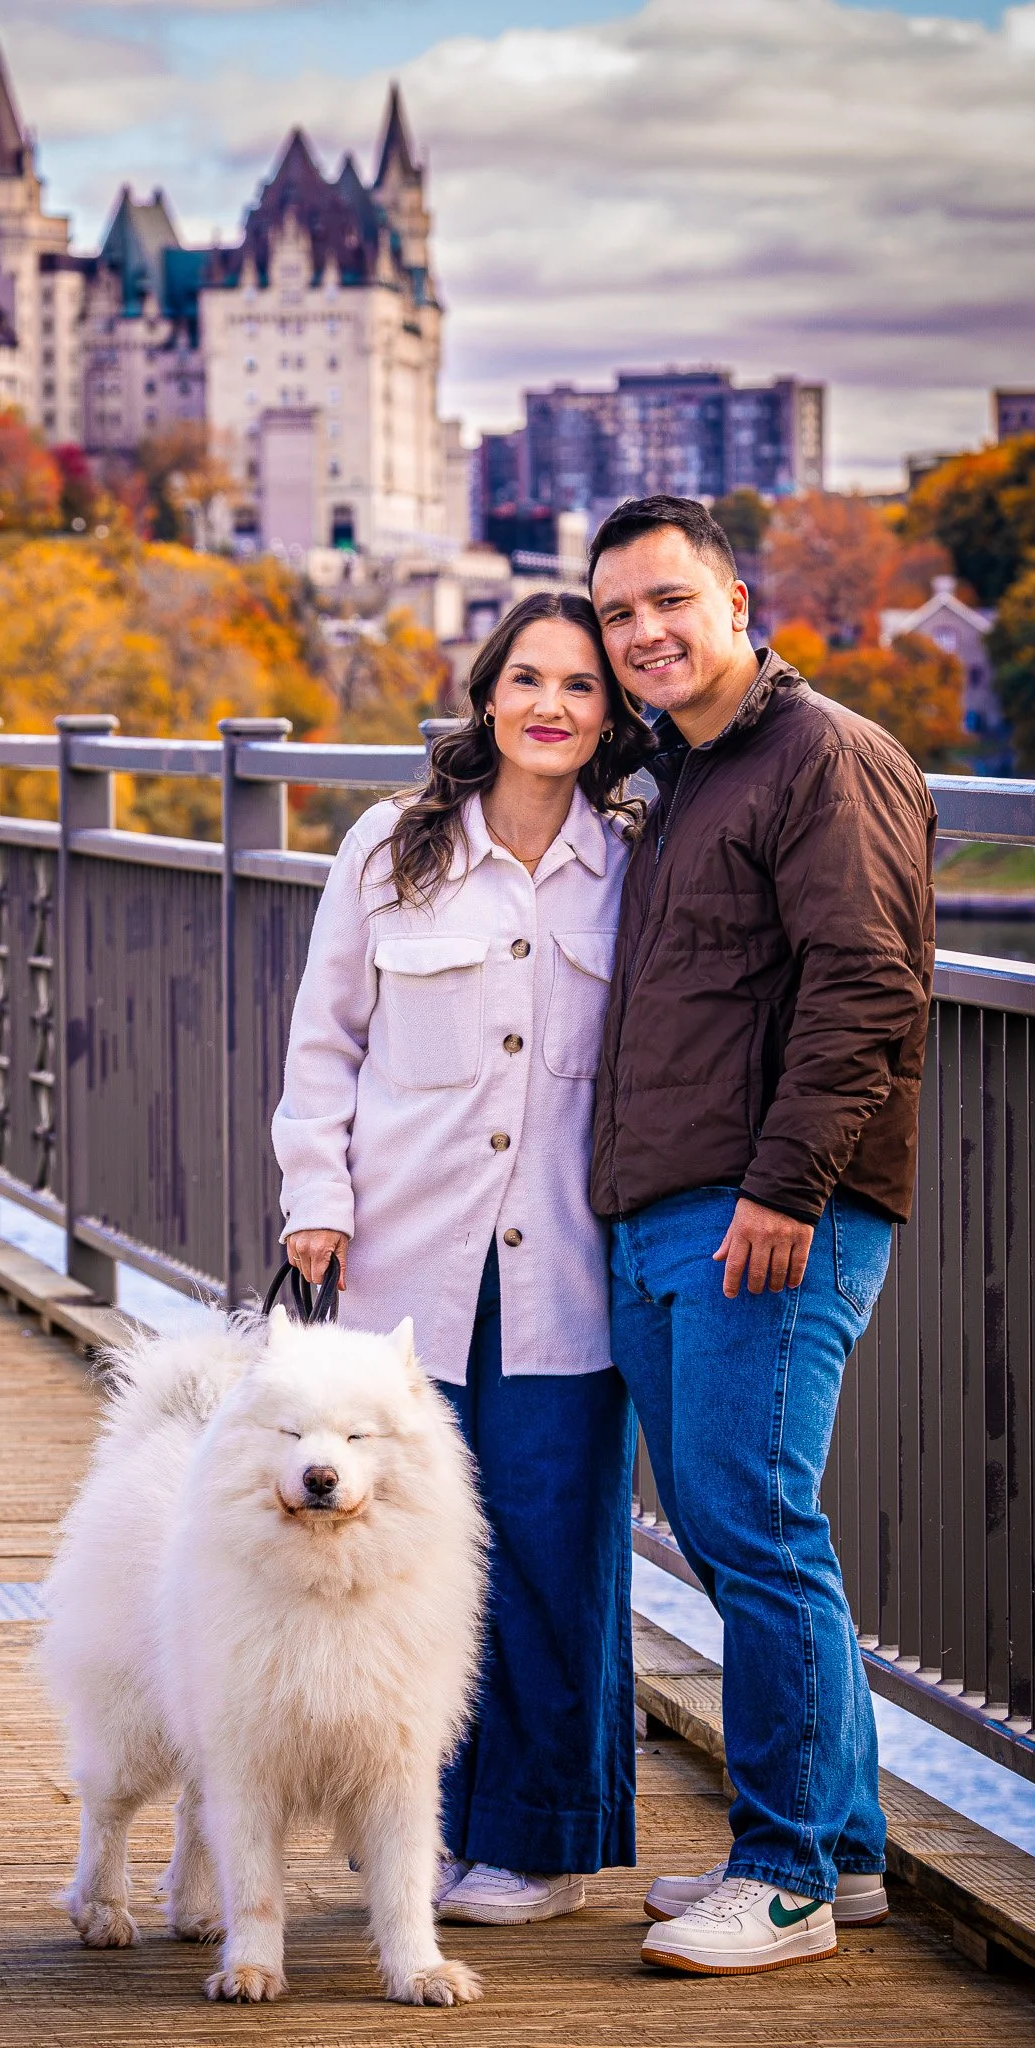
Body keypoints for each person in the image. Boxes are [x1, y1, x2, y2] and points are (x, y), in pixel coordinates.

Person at [587, 496, 936, 1976]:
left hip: (769, 1215)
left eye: (668, 601)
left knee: (760, 1532)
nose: (642, 633)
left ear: (737, 600)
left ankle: (781, 1874)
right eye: (616, 616)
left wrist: (788, 1189)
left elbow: (867, 987)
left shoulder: (824, 758)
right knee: (738, 1539)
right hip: (672, 1208)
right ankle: (842, 1850)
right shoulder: (685, 772)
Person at [272, 591, 654, 1926]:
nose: (553, 705)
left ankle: (542, 1844)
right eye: (530, 679)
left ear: (611, 717)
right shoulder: (392, 848)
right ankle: (417, 1825)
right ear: (488, 694)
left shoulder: (634, 861)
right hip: (400, 1271)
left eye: (584, 688)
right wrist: (314, 1190)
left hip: (565, 1267)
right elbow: (325, 1040)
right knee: (412, 1566)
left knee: (555, 1552)